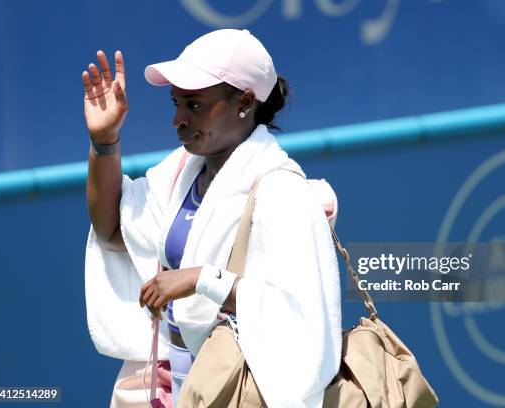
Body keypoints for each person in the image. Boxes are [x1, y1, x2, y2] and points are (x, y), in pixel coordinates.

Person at [84, 29, 342, 407]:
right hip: (179, 390)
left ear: (245, 102)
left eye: (195, 105)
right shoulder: (179, 171)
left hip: (240, 392)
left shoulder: (283, 193)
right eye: (175, 103)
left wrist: (202, 280)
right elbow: (112, 230)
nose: (177, 119)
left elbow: (300, 322)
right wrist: (104, 142)